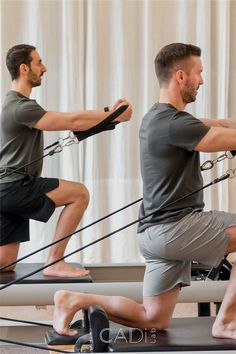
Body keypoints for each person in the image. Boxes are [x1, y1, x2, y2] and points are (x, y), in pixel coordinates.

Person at [52, 43, 236, 339]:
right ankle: (226, 321)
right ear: (180, 76)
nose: (202, 80)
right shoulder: (174, 124)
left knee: (153, 317)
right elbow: (223, 136)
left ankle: (75, 299)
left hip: (154, 234)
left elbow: (221, 124)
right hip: (176, 229)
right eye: (198, 73)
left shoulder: (160, 118)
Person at [0, 44, 132, 278]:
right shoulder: (20, 107)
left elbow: (75, 120)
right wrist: (114, 115)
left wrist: (110, 114)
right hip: (14, 187)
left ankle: (54, 261)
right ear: (24, 68)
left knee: (5, 264)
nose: (44, 68)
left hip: (6, 190)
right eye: (38, 63)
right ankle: (55, 261)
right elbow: (72, 120)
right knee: (79, 194)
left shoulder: (17, 105)